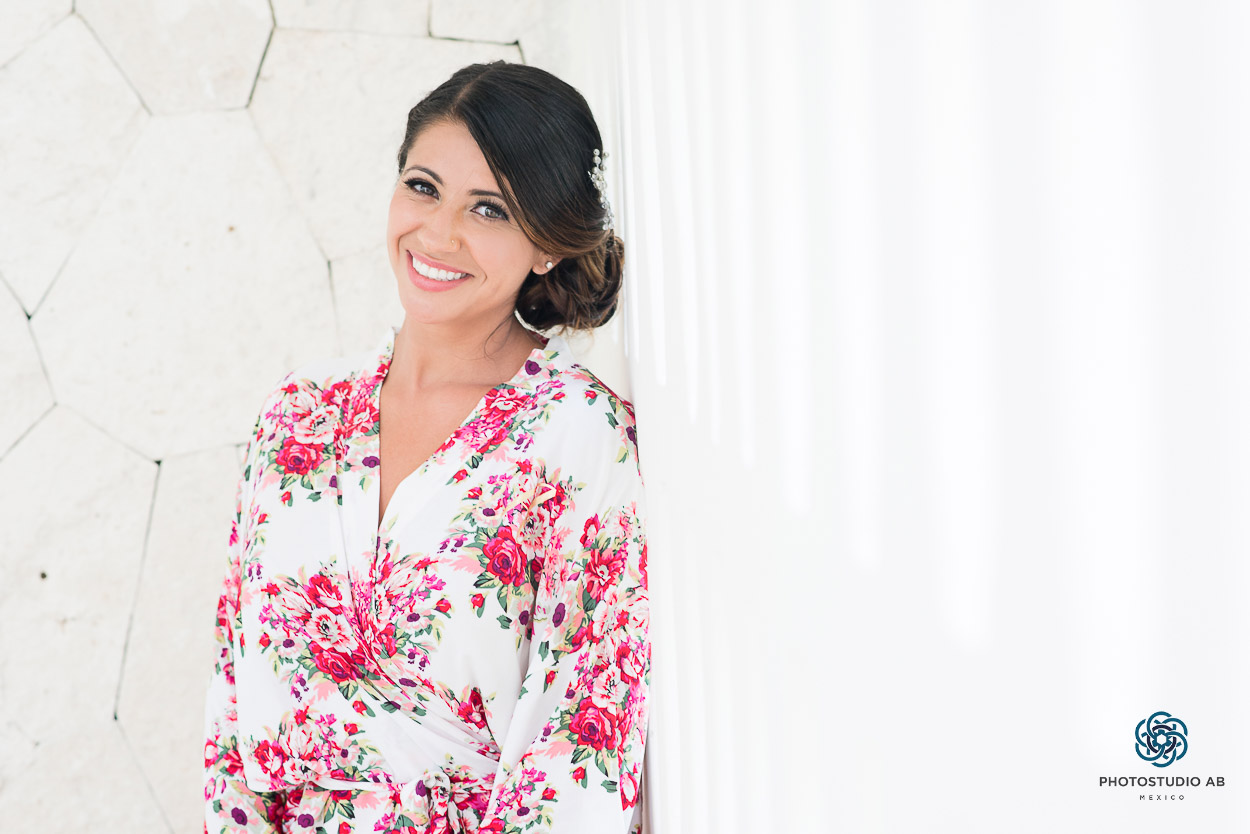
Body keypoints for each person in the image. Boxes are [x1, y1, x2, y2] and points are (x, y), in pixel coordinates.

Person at [202, 61, 649, 834]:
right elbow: (229, 706)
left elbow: (584, 739)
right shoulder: (298, 414)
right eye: (423, 187)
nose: (439, 233)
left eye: (490, 209)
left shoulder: (579, 437)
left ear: (547, 245)